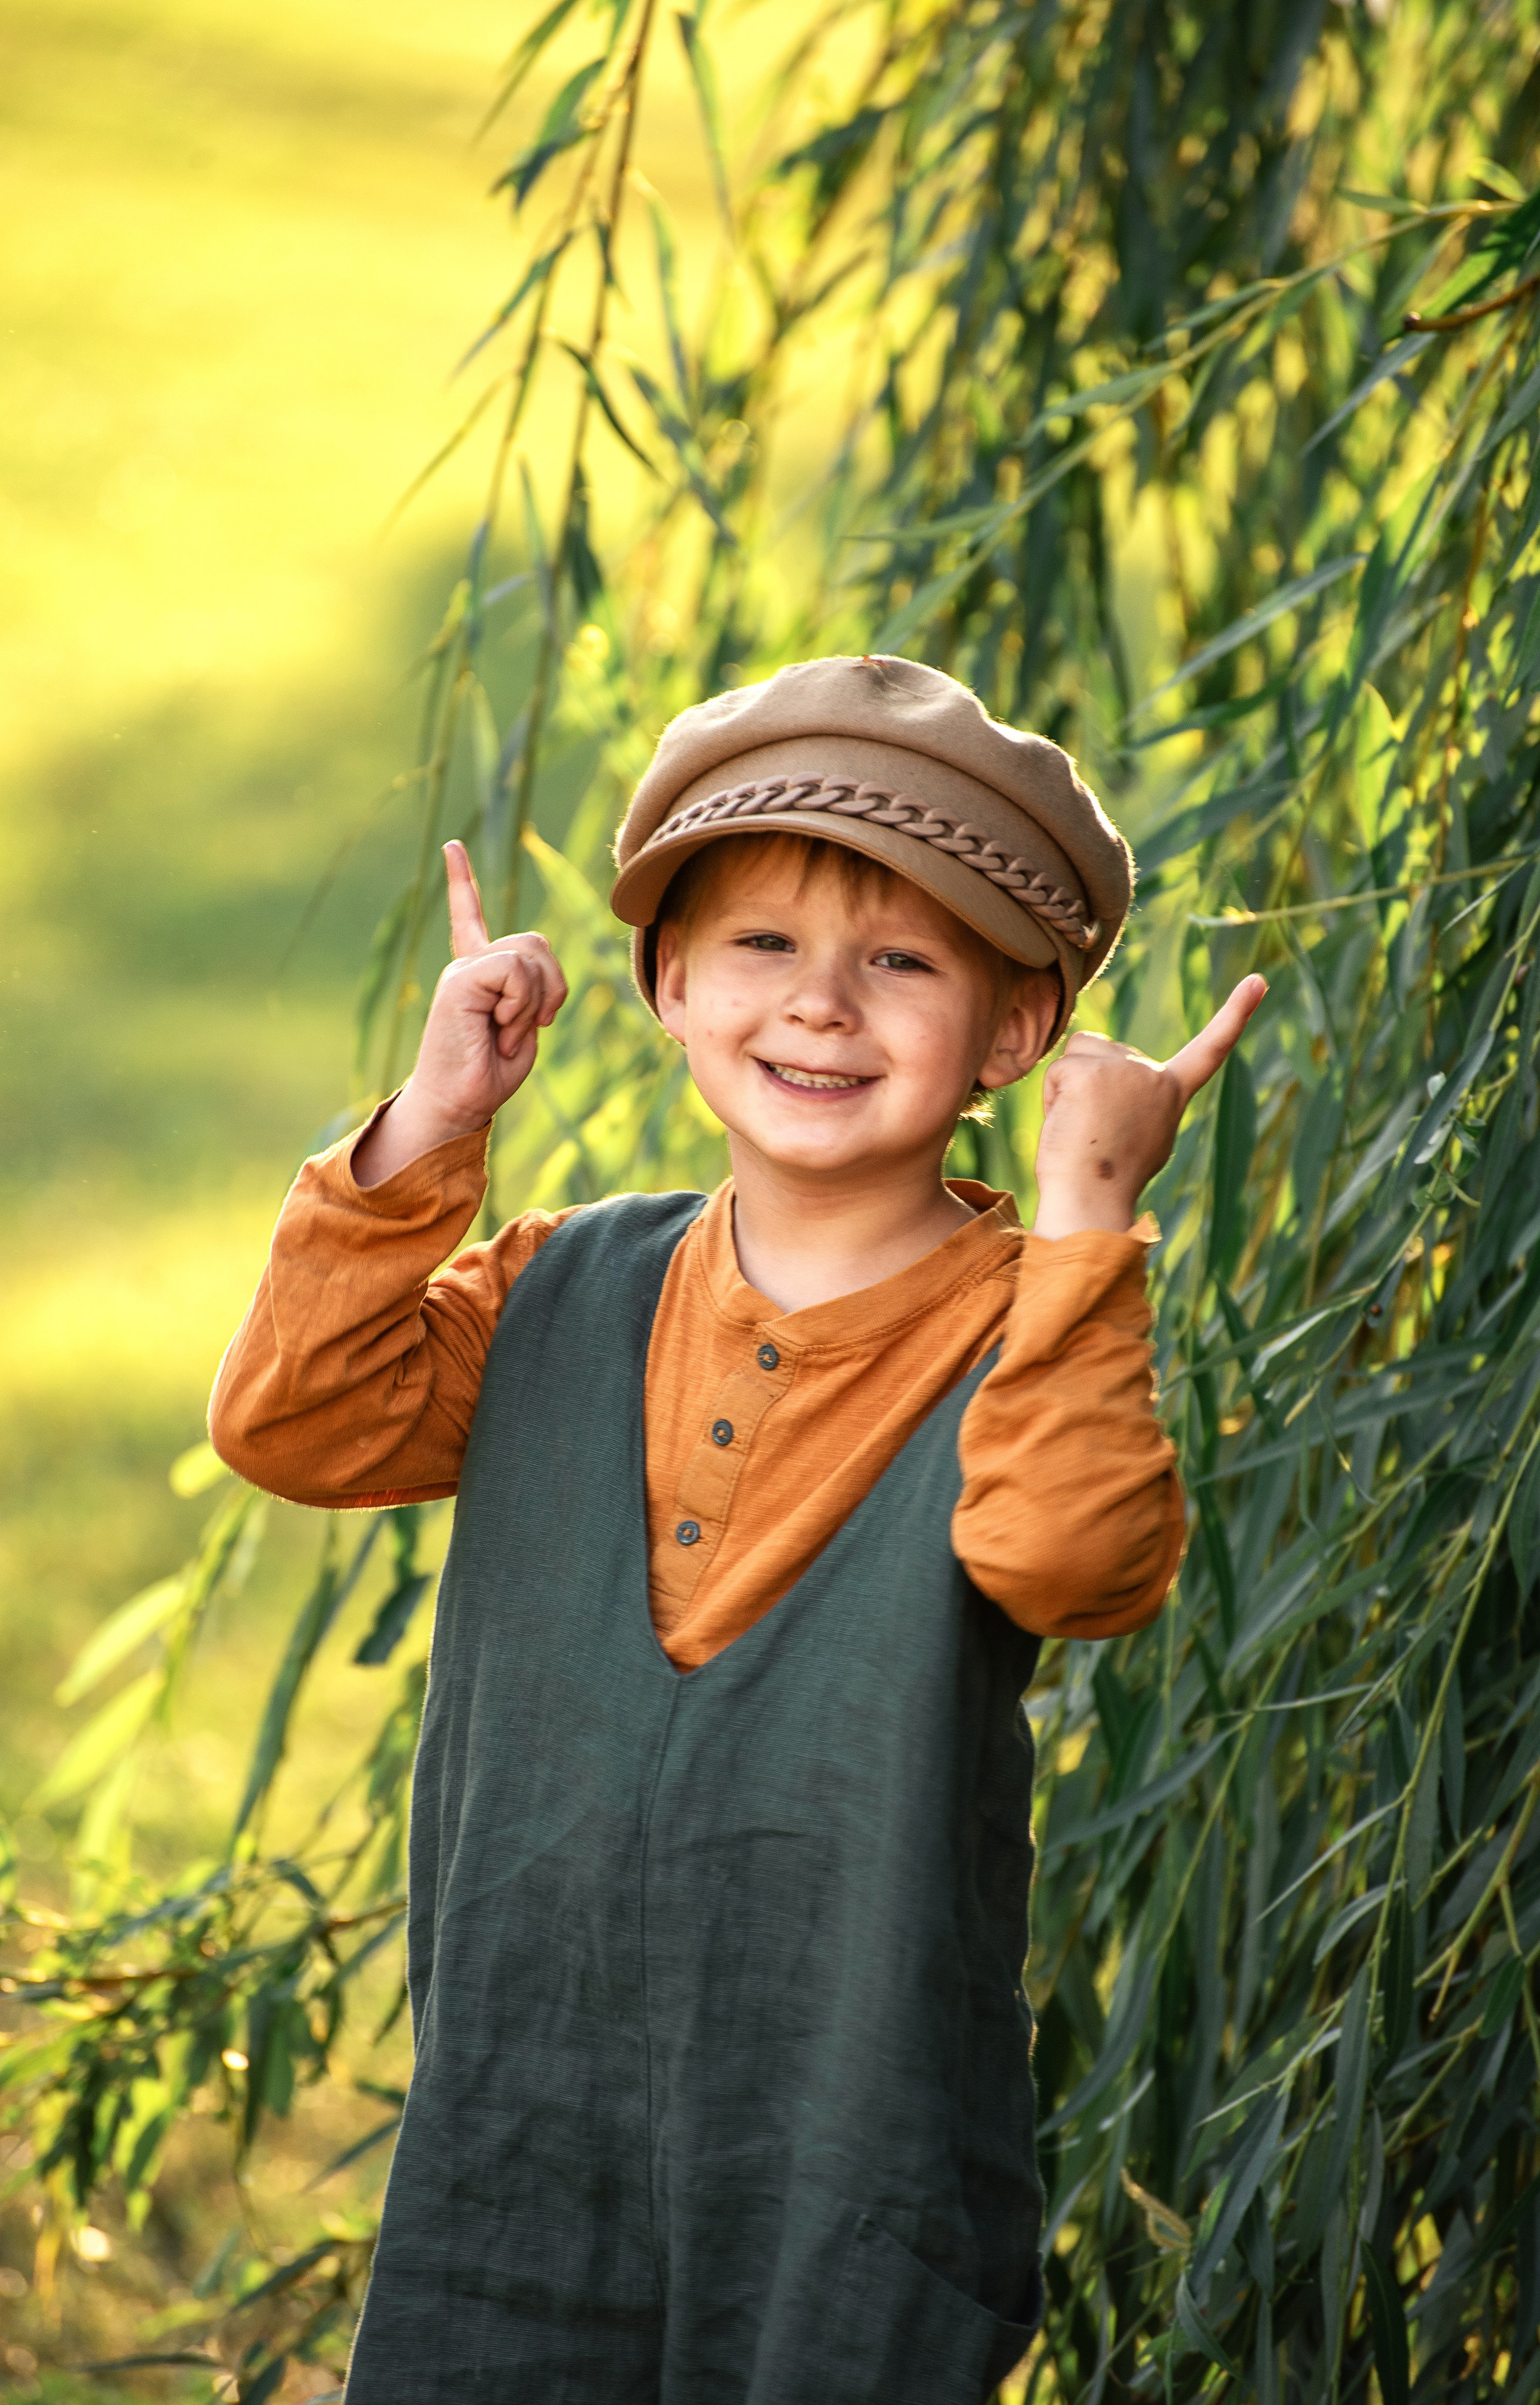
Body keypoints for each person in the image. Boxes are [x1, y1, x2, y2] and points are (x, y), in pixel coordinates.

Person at [210, 655, 1263, 2403]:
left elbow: (1075, 1562)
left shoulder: (1029, 1323)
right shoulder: (560, 1284)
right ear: (672, 980)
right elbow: (298, 1418)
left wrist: (1088, 1222)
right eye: (763, 944)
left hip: (848, 2168)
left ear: (1015, 1032)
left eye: (903, 958)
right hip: (515, 2147)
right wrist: (428, 1130)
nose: (824, 1005)